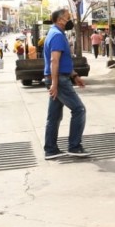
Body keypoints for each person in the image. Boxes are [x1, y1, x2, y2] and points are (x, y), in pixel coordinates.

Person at [43, 8, 89, 160]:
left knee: (54, 116)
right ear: (60, 20)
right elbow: (54, 61)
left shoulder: (56, 33)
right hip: (59, 80)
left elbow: (63, 62)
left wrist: (74, 75)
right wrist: (55, 84)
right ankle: (74, 146)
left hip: (59, 77)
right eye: (68, 18)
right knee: (79, 109)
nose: (70, 21)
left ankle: (50, 150)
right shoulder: (56, 35)